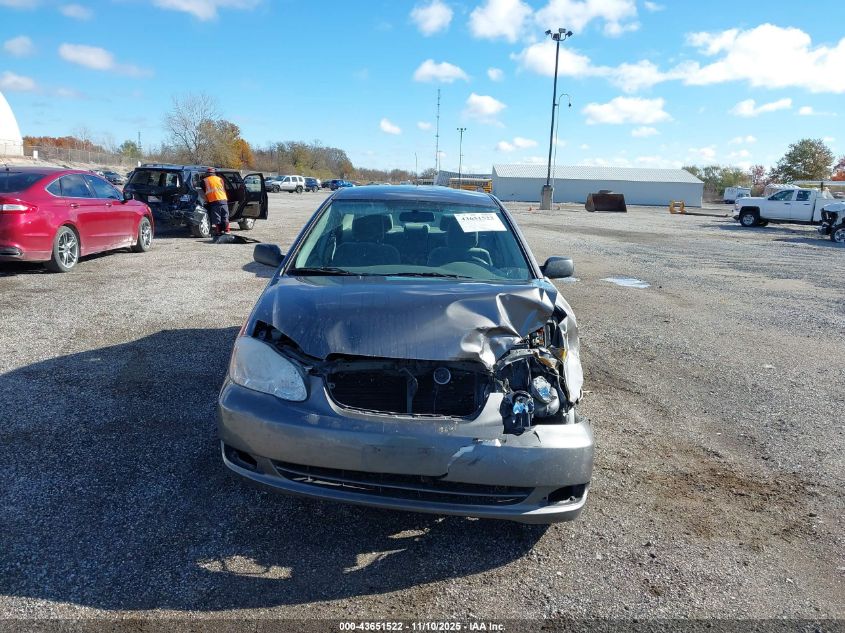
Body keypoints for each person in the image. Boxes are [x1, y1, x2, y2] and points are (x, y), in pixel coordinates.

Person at [201, 167, 229, 238]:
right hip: (223, 199)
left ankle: (219, 232)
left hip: (214, 200)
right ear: (214, 173)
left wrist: (206, 200)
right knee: (225, 216)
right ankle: (226, 231)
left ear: (207, 174)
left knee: (217, 217)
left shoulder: (205, 180)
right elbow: (223, 189)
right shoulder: (220, 179)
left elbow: (202, 192)